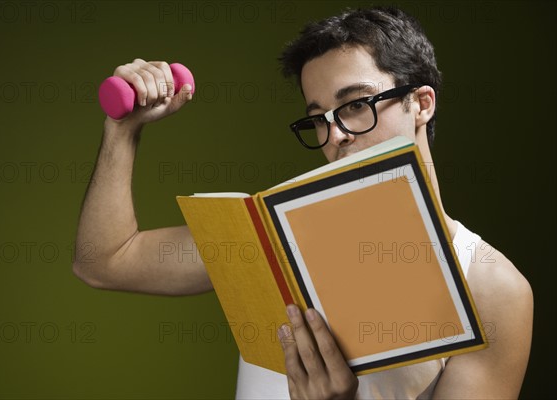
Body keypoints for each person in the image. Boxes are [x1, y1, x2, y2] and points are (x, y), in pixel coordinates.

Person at [73, 6, 533, 399]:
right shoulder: (272, 232)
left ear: (422, 103)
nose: (335, 136)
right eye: (319, 119)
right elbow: (105, 261)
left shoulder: (491, 286)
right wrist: (123, 130)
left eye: (356, 104)